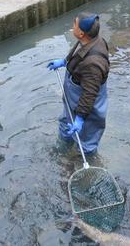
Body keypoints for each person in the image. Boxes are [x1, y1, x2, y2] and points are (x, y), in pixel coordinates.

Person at [47, 13, 110, 155]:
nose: (72, 26)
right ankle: (64, 147)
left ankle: (87, 158)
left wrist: (80, 118)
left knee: (87, 139)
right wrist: (65, 61)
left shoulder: (93, 64)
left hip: (88, 106)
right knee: (66, 123)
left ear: (81, 33)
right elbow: (77, 51)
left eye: (74, 24)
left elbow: (89, 94)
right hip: (74, 100)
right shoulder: (88, 40)